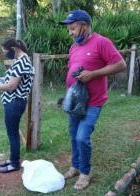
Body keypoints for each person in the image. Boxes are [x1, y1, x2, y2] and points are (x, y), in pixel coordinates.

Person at [59, 10, 126, 189]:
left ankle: (85, 172)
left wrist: (93, 74)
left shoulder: (101, 42)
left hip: (93, 101)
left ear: (84, 25)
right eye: (69, 29)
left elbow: (120, 64)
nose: (70, 32)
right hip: (75, 101)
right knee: (73, 134)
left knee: (82, 137)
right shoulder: (74, 47)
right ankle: (75, 166)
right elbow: (72, 69)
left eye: (72, 28)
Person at [0, 38, 35, 173]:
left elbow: (11, 86)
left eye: (6, 52)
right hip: (14, 102)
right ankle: (12, 159)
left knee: (13, 133)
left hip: (15, 102)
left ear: (14, 49)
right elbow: (11, 80)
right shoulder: (21, 60)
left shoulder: (22, 62)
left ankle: (14, 163)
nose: (5, 54)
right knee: (12, 132)